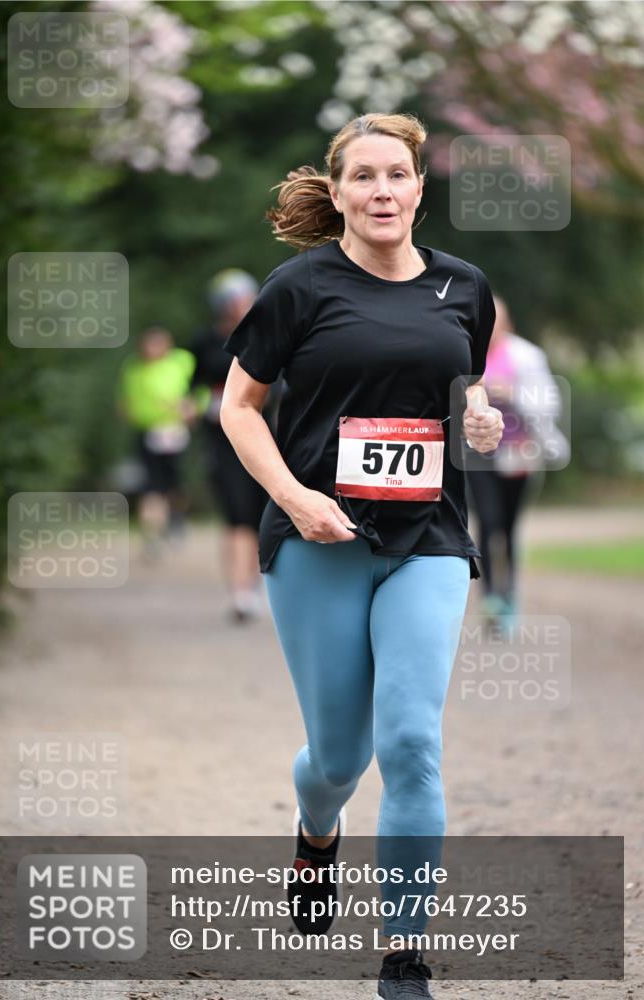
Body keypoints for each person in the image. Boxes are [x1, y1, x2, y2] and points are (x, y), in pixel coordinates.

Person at [219, 113, 503, 999]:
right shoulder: (299, 288)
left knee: (412, 741)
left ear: (421, 188)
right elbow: (238, 407)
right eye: (364, 177)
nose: (383, 192)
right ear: (336, 192)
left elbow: (463, 389)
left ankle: (404, 954)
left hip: (429, 538)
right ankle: (315, 834)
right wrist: (297, 500)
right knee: (338, 758)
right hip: (318, 541)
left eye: (398, 176)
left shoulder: (463, 287)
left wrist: (481, 420)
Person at [466, 296, 569, 625]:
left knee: (508, 527)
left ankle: (510, 594)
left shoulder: (527, 357)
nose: (492, 327)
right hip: (478, 453)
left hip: (519, 452)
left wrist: (513, 395)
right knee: (487, 520)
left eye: (498, 320)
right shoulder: (466, 352)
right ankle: (491, 597)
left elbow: (550, 405)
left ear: (508, 324)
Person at [190, 270, 275, 622]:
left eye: (247, 299)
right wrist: (195, 405)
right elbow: (189, 385)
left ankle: (254, 586)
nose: (243, 306)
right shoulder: (206, 342)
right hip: (223, 441)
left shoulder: (270, 335)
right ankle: (241, 593)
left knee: (261, 516)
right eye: (236, 301)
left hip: (267, 436)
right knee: (238, 515)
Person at [118, 326, 197, 559]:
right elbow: (126, 402)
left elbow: (198, 388)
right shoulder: (134, 368)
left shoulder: (183, 362)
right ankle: (152, 536)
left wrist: (193, 407)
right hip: (148, 432)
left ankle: (176, 520)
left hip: (176, 431)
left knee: (175, 484)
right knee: (151, 486)